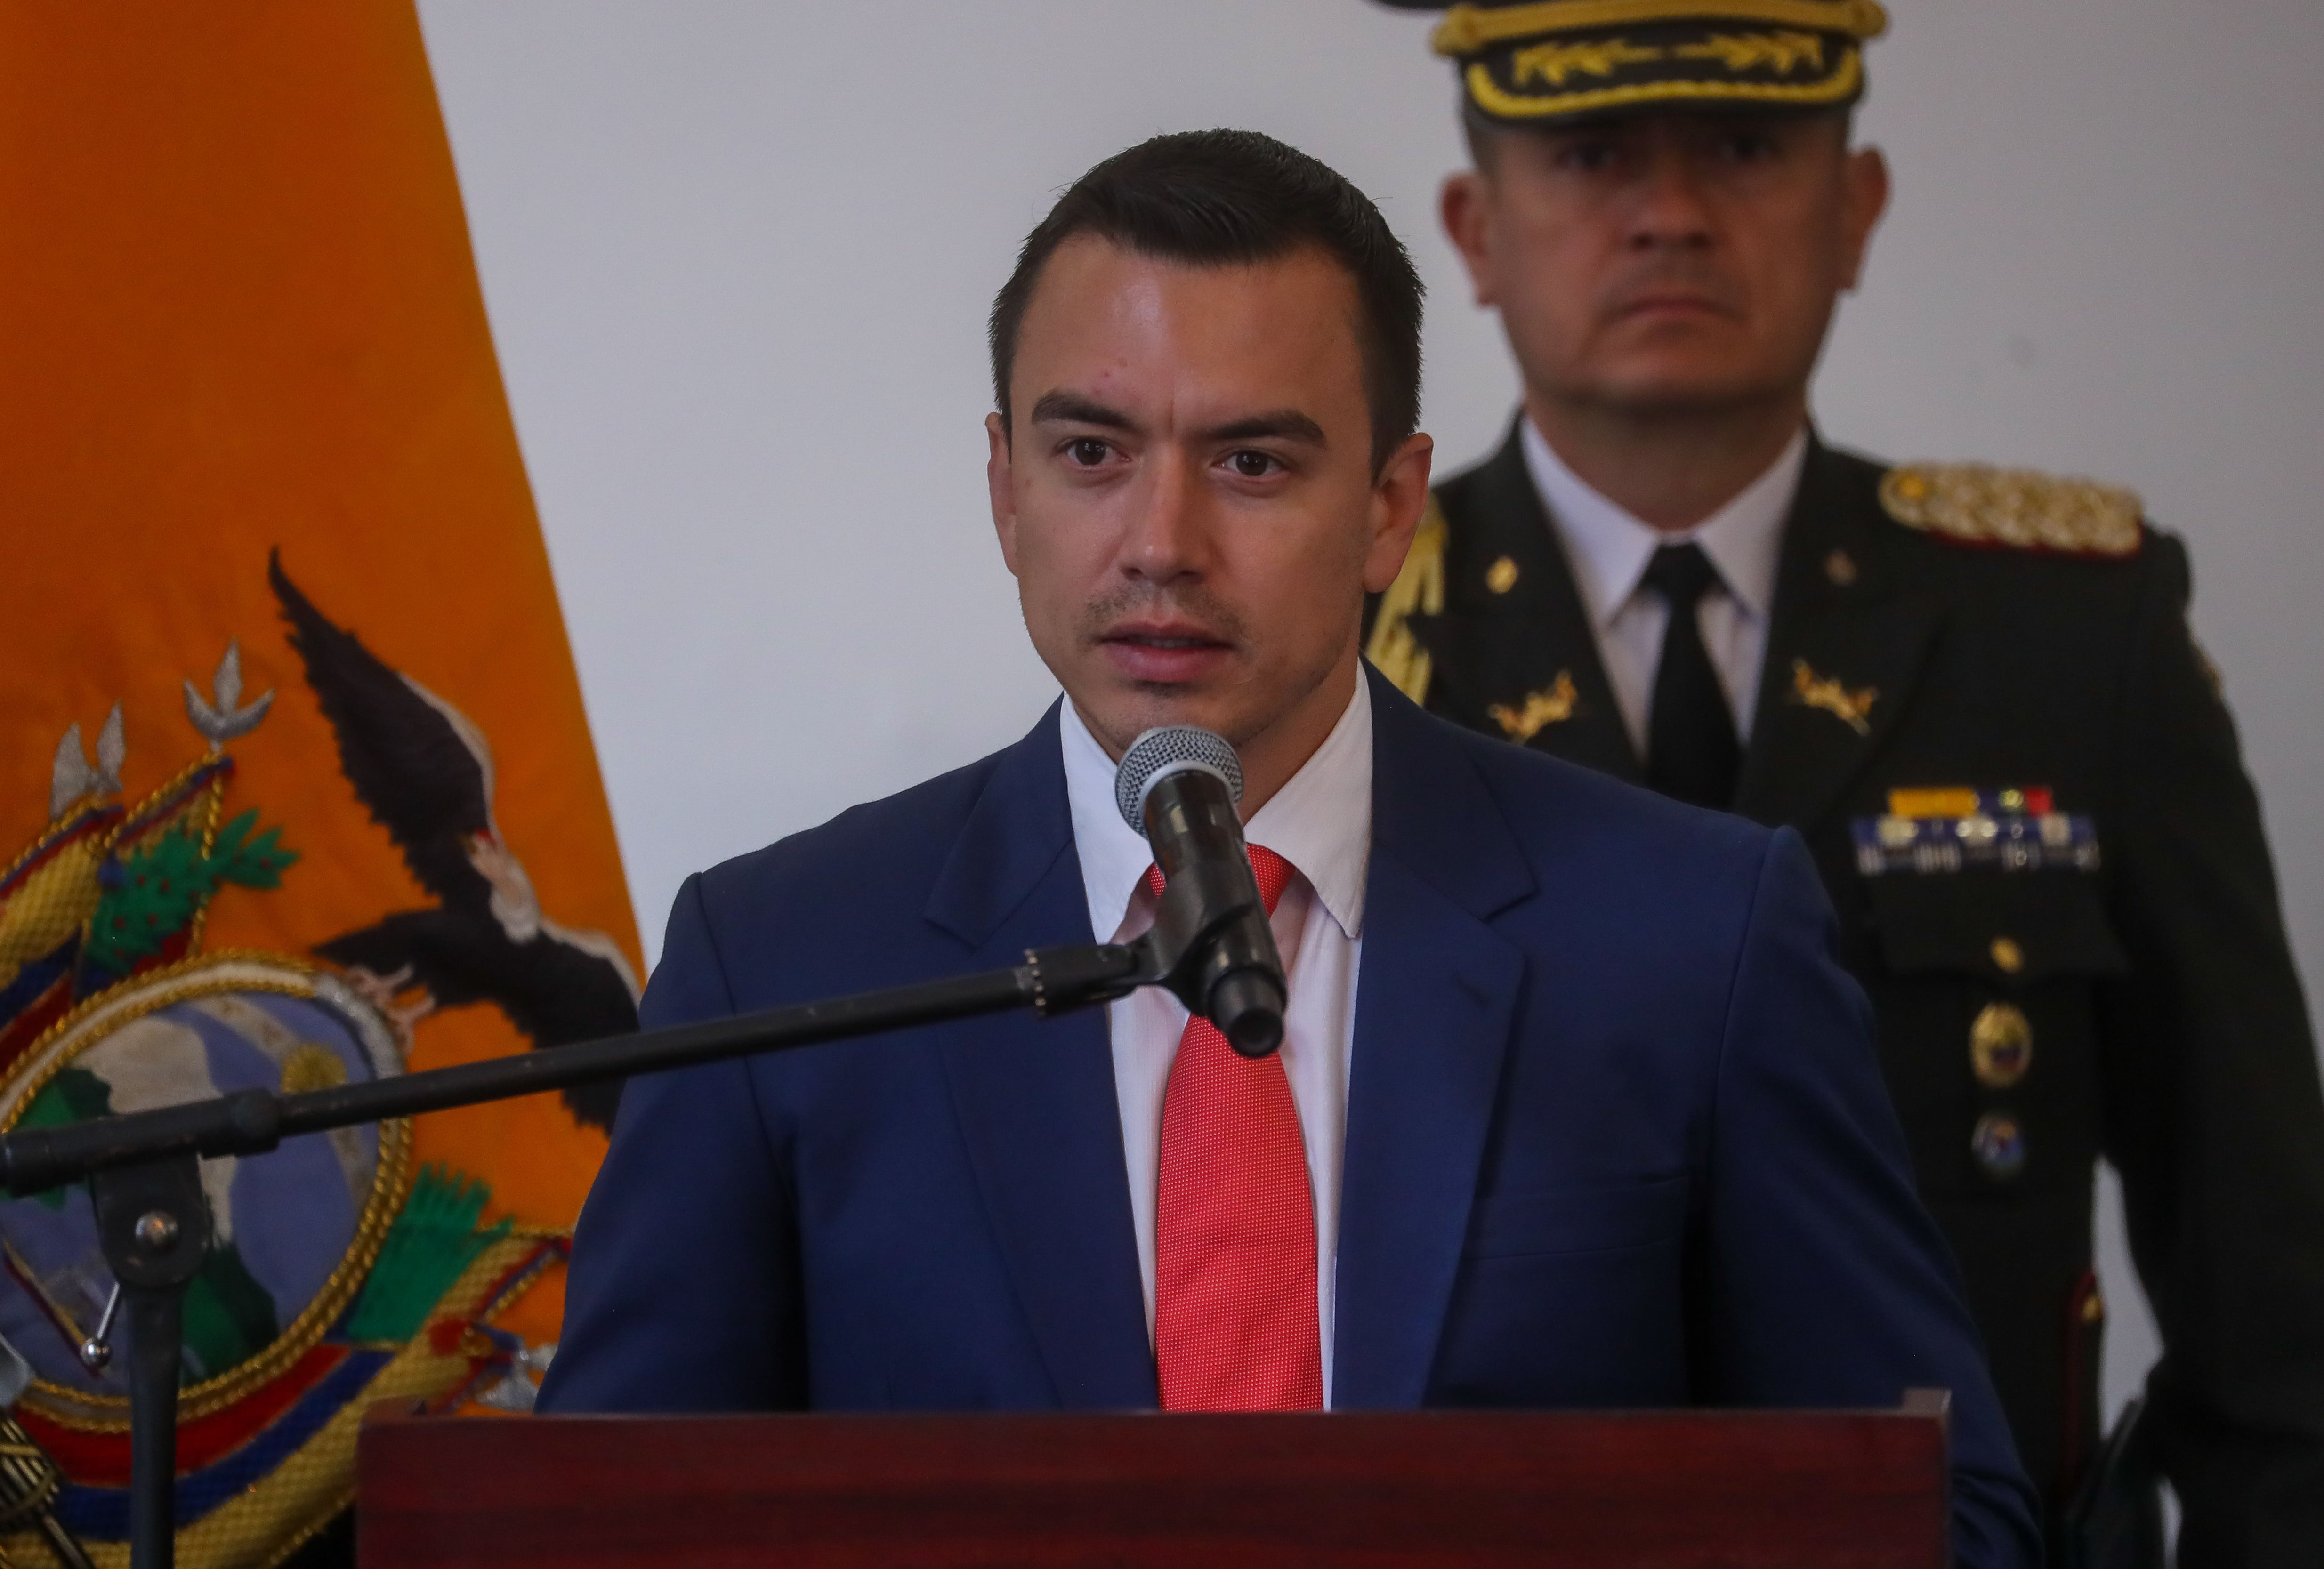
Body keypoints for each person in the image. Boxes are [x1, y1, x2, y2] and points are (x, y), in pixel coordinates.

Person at [538, 128, 2039, 1566]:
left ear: (1390, 508)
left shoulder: (1692, 938)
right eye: (1091, 452)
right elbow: (591, 1537)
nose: (1160, 542)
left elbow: (1943, 1521)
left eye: (1252, 463)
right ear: (1006, 489)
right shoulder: (784, 962)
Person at [1363, 3, 2324, 1561]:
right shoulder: (1345, 640)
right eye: (1595, 153)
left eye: (1748, 149)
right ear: (1476, 232)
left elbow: (2271, 1311)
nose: (1672, 212)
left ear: (1858, 209)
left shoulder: (2073, 633)